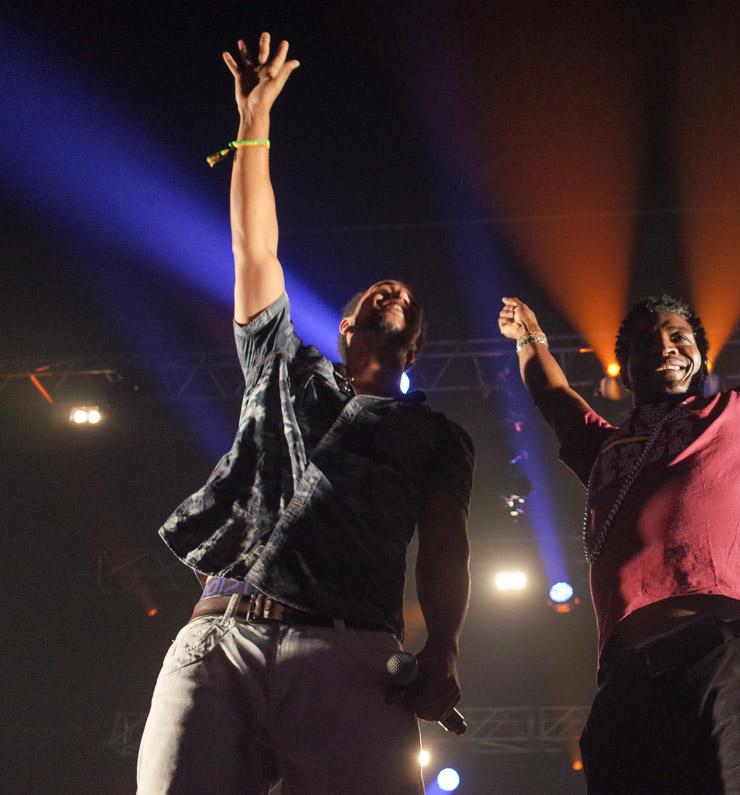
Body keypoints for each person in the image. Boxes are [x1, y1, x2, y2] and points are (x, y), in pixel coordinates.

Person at [137, 34, 473, 794]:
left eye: (407, 299)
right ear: (346, 324)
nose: (393, 291)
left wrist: (445, 646)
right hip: (220, 633)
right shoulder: (283, 363)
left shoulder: (435, 434)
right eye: (378, 292)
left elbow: (446, 542)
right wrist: (253, 119)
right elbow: (254, 250)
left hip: (348, 650)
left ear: (417, 341)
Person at [499, 161, 740, 793]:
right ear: (626, 367)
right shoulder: (608, 448)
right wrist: (529, 337)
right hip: (632, 675)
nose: (664, 346)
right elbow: (554, 398)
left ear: (700, 353)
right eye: (646, 342)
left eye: (678, 336)